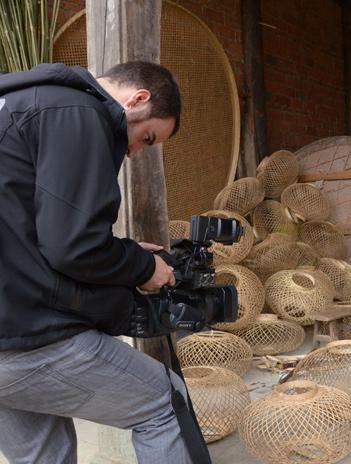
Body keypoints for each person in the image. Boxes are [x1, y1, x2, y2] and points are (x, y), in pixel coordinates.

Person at [0, 61, 195, 463]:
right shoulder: (76, 111)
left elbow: (28, 229)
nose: (134, 150)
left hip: (8, 328)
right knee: (164, 404)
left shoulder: (18, 101)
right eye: (147, 137)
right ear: (138, 99)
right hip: (30, 335)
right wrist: (145, 268)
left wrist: (124, 254)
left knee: (42, 454)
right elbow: (73, 246)